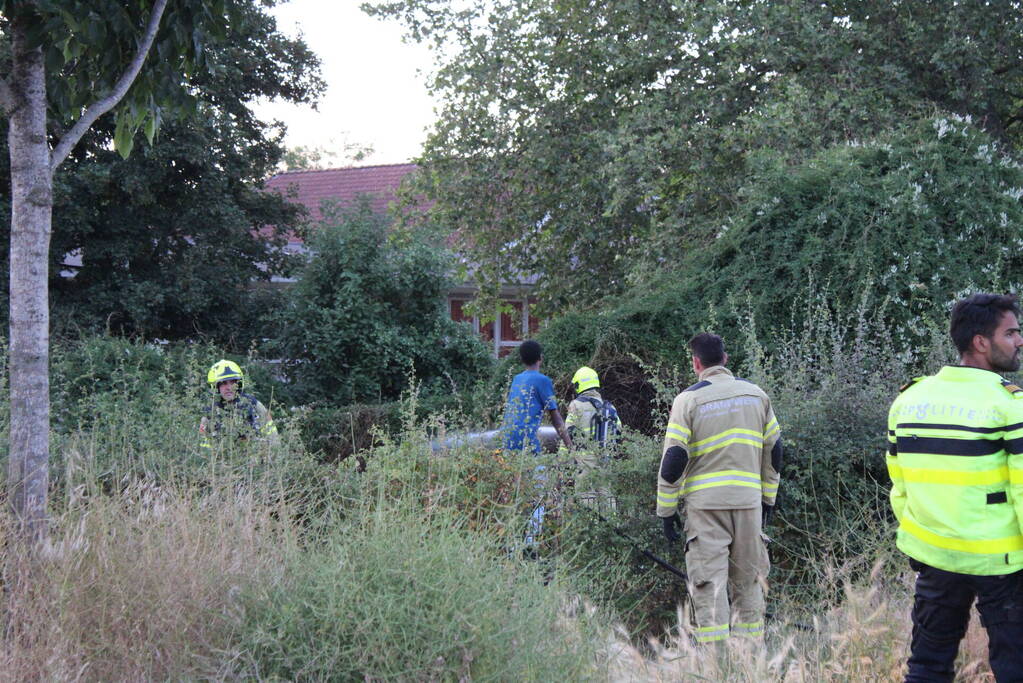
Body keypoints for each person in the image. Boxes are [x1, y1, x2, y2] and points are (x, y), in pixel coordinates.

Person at [887, 293, 1023, 681]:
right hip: (1000, 563)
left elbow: (900, 484)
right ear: (982, 342)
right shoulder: (1011, 406)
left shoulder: (909, 400)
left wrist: (923, 540)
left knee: (927, 665)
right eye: (1011, 332)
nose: (1020, 341)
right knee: (1014, 667)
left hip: (935, 556)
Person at [656, 332, 782, 644]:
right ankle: (750, 661)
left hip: (706, 509)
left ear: (696, 363)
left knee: (709, 587)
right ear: (725, 359)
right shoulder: (757, 395)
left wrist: (666, 511)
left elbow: (674, 458)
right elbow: (775, 451)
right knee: (750, 583)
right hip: (749, 504)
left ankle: (716, 665)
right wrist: (768, 499)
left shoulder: (688, 400)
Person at [501, 340, 572, 549]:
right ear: (540, 358)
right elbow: (556, 418)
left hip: (507, 444)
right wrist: (571, 447)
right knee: (538, 493)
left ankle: (511, 543)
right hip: (527, 445)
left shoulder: (516, 379)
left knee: (515, 493)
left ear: (522, 360)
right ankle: (530, 545)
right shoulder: (542, 381)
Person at [561, 365, 622, 510]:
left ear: (578, 385)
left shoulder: (576, 405)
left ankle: (591, 526)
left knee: (586, 495)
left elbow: (567, 433)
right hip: (605, 458)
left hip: (584, 460)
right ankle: (611, 526)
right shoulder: (609, 408)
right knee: (606, 494)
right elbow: (619, 432)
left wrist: (562, 461)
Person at [200, 359, 279, 451]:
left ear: (239, 384)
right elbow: (203, 446)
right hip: (223, 461)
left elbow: (273, 436)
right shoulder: (210, 412)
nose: (229, 388)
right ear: (215, 387)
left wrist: (274, 454)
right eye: (223, 383)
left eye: (232, 382)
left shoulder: (253, 405)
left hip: (254, 459)